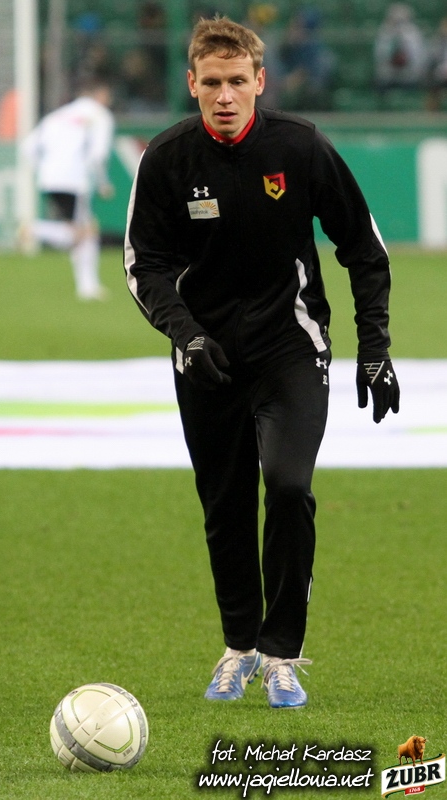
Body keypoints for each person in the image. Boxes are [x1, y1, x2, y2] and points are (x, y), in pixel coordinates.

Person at [124, 15, 400, 709]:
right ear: (192, 83)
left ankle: (281, 654)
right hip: (205, 356)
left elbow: (364, 250)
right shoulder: (166, 158)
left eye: (238, 81)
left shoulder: (301, 147)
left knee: (287, 485)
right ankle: (238, 647)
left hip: (291, 349)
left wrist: (375, 348)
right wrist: (186, 336)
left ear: (260, 81)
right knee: (224, 506)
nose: (225, 95)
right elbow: (142, 264)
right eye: (212, 82)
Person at [22, 78, 115, 300]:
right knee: (84, 232)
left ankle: (87, 285)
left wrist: (44, 170)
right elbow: (98, 154)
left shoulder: (56, 115)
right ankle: (36, 230)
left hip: (49, 178)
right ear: (99, 95)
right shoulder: (100, 116)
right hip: (76, 180)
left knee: (83, 230)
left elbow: (27, 147)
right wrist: (103, 182)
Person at [374, 3, 426, 99]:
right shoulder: (385, 32)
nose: (398, 23)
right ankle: (384, 104)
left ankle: (409, 103)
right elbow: (380, 55)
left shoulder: (413, 33)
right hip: (390, 72)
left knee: (414, 82)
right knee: (380, 82)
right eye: (395, 19)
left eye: (401, 20)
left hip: (409, 73)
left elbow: (418, 57)